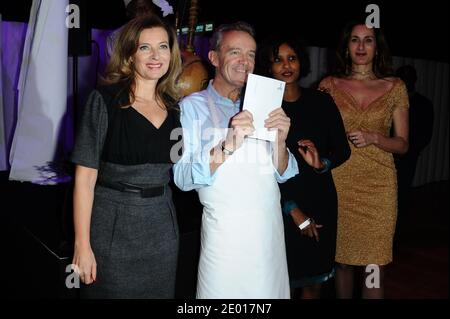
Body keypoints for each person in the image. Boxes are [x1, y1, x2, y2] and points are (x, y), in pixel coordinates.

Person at [173, 21, 299, 299]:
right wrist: (229, 143)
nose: (245, 61)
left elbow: (284, 173)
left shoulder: (264, 102)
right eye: (235, 52)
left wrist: (280, 142)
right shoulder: (190, 108)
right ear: (214, 57)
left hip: (268, 231)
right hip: (224, 236)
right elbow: (182, 179)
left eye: (251, 54)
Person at [71, 15, 183, 298]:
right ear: (130, 54)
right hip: (113, 228)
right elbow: (85, 180)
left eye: (163, 46)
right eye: (144, 47)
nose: (156, 56)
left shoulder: (175, 109)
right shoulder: (104, 101)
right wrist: (82, 245)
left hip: (161, 229)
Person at [319, 21, 409, 299]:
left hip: (378, 186)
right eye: (355, 40)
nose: (360, 46)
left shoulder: (395, 86)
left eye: (368, 40)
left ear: (377, 47)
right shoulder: (329, 85)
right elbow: (318, 134)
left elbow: (403, 144)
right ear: (346, 47)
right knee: (342, 262)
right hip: (340, 182)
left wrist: (375, 138)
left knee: (374, 266)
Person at [257, 35, 350, 299]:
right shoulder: (263, 106)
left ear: (301, 62)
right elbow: (258, 169)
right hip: (279, 205)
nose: (286, 65)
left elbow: (343, 149)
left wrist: (323, 163)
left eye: (292, 58)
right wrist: (292, 209)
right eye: (278, 60)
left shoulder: (322, 102)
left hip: (320, 199)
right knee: (280, 283)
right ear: (268, 65)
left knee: (314, 281)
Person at [394, 65, 434, 222]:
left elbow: (425, 134)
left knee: (402, 192)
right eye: (403, 77)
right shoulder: (390, 101)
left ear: (415, 80)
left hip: (408, 156)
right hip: (386, 153)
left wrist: (407, 151)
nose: (405, 81)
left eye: (408, 78)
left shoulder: (423, 104)